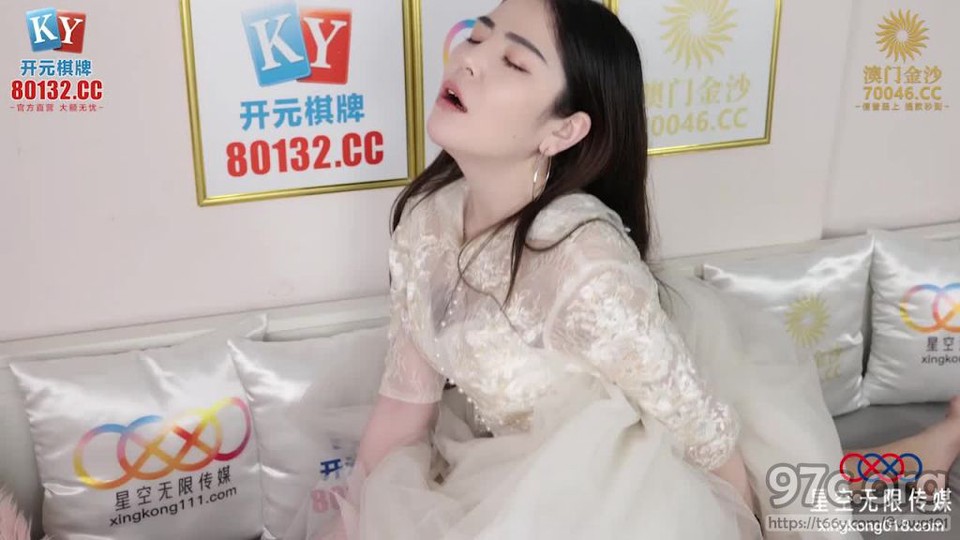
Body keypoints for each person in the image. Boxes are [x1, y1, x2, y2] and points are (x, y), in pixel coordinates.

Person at [289, 0, 960, 538]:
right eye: (477, 35)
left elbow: (705, 436)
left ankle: (930, 448)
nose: (468, 59)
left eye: (512, 62)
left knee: (796, 502)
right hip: (507, 460)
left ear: (564, 130)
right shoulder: (425, 222)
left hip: (636, 463)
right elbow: (404, 408)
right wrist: (351, 521)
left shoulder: (583, 262)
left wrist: (743, 522)